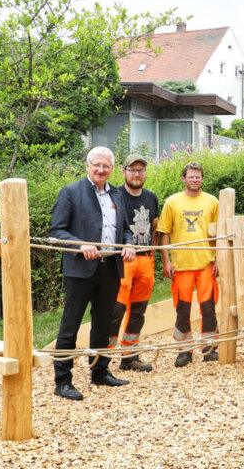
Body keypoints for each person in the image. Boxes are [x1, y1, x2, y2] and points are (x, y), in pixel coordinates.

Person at [48, 146, 136, 400]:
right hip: (80, 270)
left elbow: (126, 229)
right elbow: (57, 231)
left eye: (106, 166)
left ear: (112, 168)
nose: (101, 170)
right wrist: (79, 244)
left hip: (110, 268)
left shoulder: (117, 194)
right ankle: (62, 381)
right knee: (70, 324)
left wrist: (128, 243)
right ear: (87, 165)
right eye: (96, 165)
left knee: (104, 322)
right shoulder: (71, 192)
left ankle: (100, 371)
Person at [157, 161, 220, 368]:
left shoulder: (212, 202)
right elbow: (164, 233)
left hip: (206, 264)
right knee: (182, 309)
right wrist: (166, 261)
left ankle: (209, 348)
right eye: (191, 176)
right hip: (181, 265)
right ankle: (184, 350)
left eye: (198, 176)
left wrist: (219, 258)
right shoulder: (172, 202)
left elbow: (220, 234)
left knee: (208, 308)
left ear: (202, 179)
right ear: (183, 178)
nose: (195, 180)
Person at [107, 154, 159, 373]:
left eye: (141, 170)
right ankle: (104, 355)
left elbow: (154, 226)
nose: (137, 174)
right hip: (122, 260)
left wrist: (153, 255)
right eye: (133, 170)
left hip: (145, 258)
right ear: (124, 172)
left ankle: (130, 355)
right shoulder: (114, 195)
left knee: (138, 310)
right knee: (116, 308)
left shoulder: (151, 197)